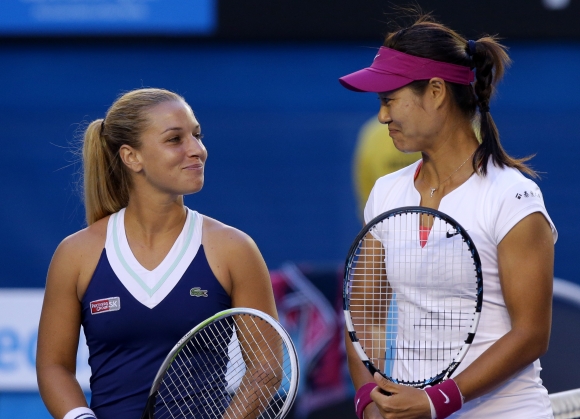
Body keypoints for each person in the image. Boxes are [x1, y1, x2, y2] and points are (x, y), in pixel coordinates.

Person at [339, 15, 557, 419]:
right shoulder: (386, 192)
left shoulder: (512, 196)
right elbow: (364, 312)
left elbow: (531, 335)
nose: (383, 116)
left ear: (436, 91)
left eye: (389, 100)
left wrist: (436, 401)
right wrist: (369, 398)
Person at [36, 88, 278, 419]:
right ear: (131, 156)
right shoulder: (75, 254)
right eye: (175, 139)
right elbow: (54, 367)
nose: (198, 150)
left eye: (197, 135)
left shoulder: (235, 249)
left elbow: (266, 367)